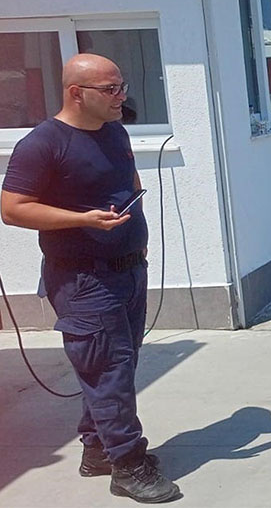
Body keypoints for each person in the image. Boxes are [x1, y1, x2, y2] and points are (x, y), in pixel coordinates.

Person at [0, 54, 180, 503]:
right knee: (109, 370)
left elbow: (125, 179)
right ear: (77, 93)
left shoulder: (114, 132)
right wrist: (82, 220)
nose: (122, 97)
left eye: (121, 86)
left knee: (114, 368)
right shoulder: (42, 144)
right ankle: (128, 464)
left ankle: (99, 449)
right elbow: (13, 208)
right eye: (111, 89)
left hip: (127, 270)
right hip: (83, 280)